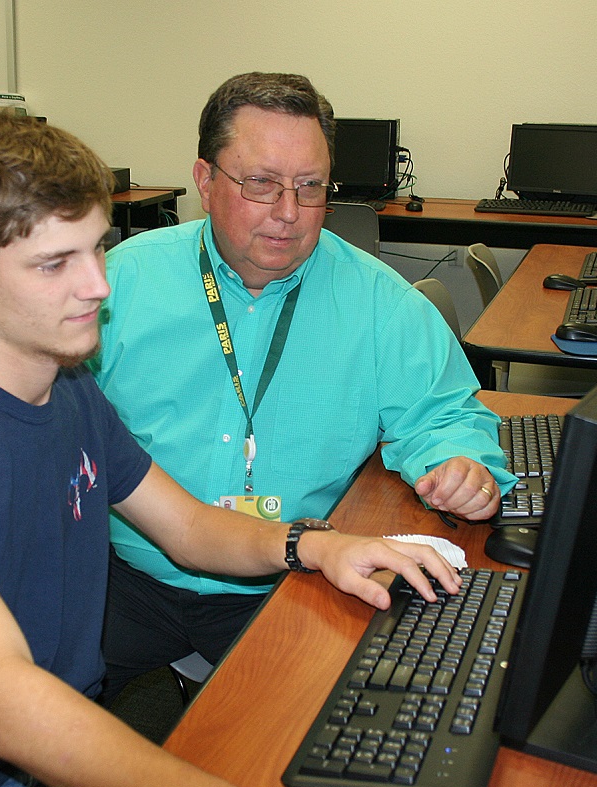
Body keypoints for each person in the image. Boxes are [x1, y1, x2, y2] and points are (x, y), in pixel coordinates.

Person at [0, 108, 458, 787]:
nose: (98, 286)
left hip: (57, 773)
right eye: (56, 263)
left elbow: (185, 527)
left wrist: (317, 544)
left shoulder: (69, 398)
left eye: (97, 249)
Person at [93, 72, 515, 702]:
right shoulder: (117, 283)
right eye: (261, 184)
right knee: (11, 747)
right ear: (205, 183)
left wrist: (461, 466)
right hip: (125, 572)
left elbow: (442, 412)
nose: (288, 214)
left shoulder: (379, 301)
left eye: (310, 188)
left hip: (292, 577)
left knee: (334, 743)